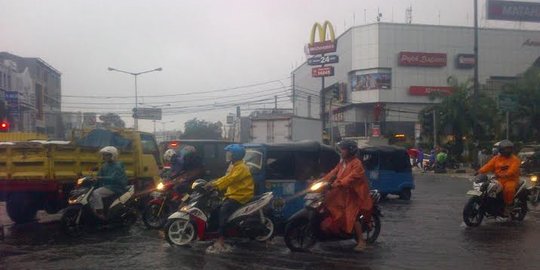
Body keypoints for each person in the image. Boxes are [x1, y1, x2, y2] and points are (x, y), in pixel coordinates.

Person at [321, 140, 373, 252]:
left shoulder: (357, 164)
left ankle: (361, 241)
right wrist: (320, 181)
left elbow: (351, 178)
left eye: (343, 149)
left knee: (352, 215)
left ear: (350, 151)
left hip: (355, 194)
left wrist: (337, 184)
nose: (341, 151)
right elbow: (332, 173)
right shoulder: (342, 163)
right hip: (343, 192)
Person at [205, 144, 254, 253]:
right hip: (233, 194)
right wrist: (214, 182)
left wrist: (215, 185)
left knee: (224, 211)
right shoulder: (236, 166)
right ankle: (213, 232)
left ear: (235, 155)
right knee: (215, 209)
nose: (228, 155)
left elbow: (230, 180)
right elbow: (226, 177)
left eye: (230, 153)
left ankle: (222, 238)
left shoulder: (241, 168)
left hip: (241, 196)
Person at [478, 140, 521, 217]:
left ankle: (508, 206)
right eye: (505, 149)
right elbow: (488, 166)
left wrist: (506, 174)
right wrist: (480, 171)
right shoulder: (496, 158)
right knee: (488, 187)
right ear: (501, 150)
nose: (507, 151)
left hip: (510, 180)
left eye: (509, 149)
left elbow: (513, 170)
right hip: (498, 179)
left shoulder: (515, 159)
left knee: (509, 189)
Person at [89, 146, 128, 220]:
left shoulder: (117, 166)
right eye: (104, 155)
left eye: (107, 154)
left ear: (113, 155)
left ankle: (100, 212)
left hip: (116, 187)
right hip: (107, 186)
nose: (104, 156)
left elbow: (114, 178)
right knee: (90, 195)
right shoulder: (104, 166)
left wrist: (101, 178)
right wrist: (91, 180)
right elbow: (99, 176)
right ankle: (93, 214)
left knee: (96, 193)